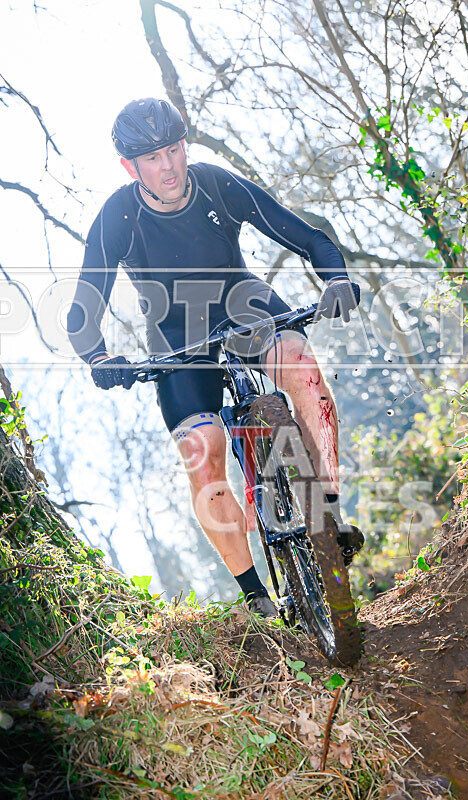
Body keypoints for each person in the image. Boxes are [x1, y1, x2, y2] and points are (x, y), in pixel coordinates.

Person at [67, 97, 363, 617]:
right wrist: (99, 357)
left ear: (185, 146)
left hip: (243, 304)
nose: (168, 167)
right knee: (202, 451)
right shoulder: (119, 216)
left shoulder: (217, 184)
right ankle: (255, 595)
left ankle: (328, 519)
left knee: (302, 367)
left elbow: (308, 238)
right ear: (131, 168)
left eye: (174, 150)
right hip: (176, 337)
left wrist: (335, 279)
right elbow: (81, 313)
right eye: (153, 158)